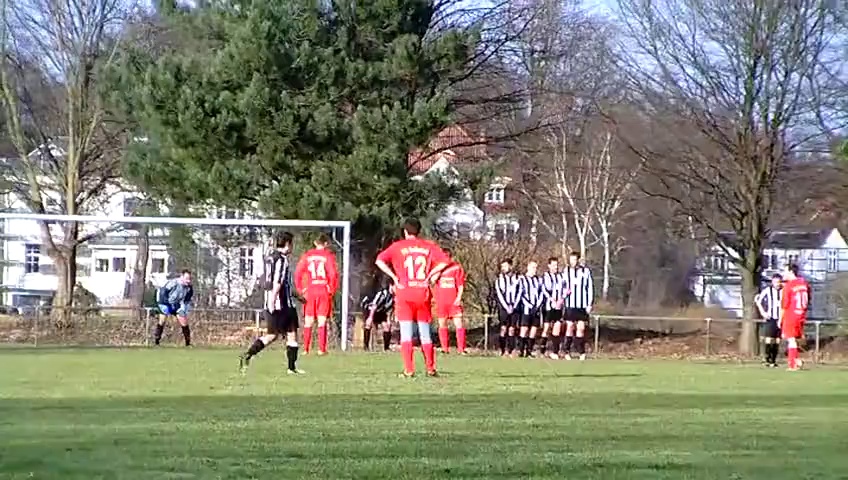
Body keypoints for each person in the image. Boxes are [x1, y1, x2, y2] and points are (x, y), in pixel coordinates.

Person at [375, 218, 449, 377]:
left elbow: (379, 261)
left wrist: (394, 277)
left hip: (404, 293)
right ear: (419, 231)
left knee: (406, 333)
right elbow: (445, 261)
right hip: (422, 292)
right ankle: (430, 368)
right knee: (425, 333)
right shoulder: (428, 246)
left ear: (405, 231)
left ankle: (409, 370)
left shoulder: (397, 246)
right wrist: (431, 275)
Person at [239, 232, 304, 375]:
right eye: (291, 244)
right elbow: (277, 282)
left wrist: (296, 296)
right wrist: (273, 301)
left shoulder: (269, 257)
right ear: (287, 244)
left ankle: (247, 355)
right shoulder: (282, 260)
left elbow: (273, 281)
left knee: (272, 335)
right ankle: (291, 368)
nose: (292, 247)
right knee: (291, 334)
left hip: (271, 301)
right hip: (282, 304)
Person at [295, 233, 339, 356]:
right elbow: (333, 274)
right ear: (326, 244)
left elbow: (298, 273)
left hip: (310, 290)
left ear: (315, 243)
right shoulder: (328, 256)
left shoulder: (307, 255)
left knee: (308, 320)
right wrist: (331, 289)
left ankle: (306, 349)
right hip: (323, 289)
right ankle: (321, 349)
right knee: (322, 320)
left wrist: (301, 289)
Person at [433, 248, 468, 354]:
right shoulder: (436, 268)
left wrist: (459, 297)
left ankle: (461, 349)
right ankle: (445, 348)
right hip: (441, 301)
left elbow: (460, 284)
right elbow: (432, 280)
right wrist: (438, 271)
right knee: (442, 323)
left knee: (458, 323)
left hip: (453, 301)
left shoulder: (456, 268)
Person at [562, 251, 594, 360]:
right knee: (570, 326)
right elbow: (563, 285)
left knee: (581, 328)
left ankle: (581, 351)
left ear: (578, 260)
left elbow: (589, 288)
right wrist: (564, 294)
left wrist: (589, 303)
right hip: (570, 304)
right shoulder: (566, 271)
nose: (573, 262)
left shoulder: (586, 271)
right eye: (571, 259)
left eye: (575, 260)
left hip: (582, 305)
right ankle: (566, 351)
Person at [780, 264, 810, 371]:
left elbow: (784, 305)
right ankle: (796, 361)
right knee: (793, 339)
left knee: (791, 339)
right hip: (801, 315)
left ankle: (793, 363)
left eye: (785, 271)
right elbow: (808, 299)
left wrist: (780, 319)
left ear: (791, 272)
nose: (783, 274)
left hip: (791, 315)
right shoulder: (804, 284)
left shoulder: (789, 286)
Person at [153, 270, 194, 347]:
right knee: (162, 321)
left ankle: (188, 344)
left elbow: (187, 298)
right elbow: (163, 292)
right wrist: (165, 304)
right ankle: (156, 342)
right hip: (166, 303)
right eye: (186, 278)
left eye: (189, 279)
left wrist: (184, 307)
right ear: (182, 277)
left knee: (184, 321)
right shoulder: (173, 283)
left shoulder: (189, 288)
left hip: (177, 305)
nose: (188, 281)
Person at [494, 258, 521, 356]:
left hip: (514, 307)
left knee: (512, 329)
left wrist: (514, 306)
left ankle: (511, 350)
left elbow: (519, 292)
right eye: (502, 266)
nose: (503, 268)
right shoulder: (499, 280)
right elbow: (499, 294)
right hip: (503, 308)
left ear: (510, 266)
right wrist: (506, 306)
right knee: (503, 328)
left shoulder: (517, 278)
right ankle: (502, 350)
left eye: (505, 266)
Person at [517, 260, 543, 357]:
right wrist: (529, 304)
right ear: (528, 268)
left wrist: (537, 305)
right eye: (533, 267)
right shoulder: (522, 279)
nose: (534, 270)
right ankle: (521, 350)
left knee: (533, 330)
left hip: (536, 309)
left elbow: (541, 293)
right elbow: (521, 294)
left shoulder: (538, 280)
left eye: (536, 268)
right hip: (526, 308)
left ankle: (529, 351)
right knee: (524, 329)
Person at [755, 274, 783, 367]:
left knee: (778, 340)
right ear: (772, 282)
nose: (777, 284)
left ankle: (773, 360)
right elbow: (758, 301)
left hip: (780, 318)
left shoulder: (783, 291)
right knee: (769, 338)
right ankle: (767, 358)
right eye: (775, 282)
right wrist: (763, 312)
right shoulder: (768, 290)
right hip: (770, 317)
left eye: (779, 282)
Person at [540, 257, 565, 357]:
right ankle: (542, 351)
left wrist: (561, 299)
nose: (555, 267)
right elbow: (544, 290)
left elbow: (565, 289)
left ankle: (555, 351)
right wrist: (552, 300)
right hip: (548, 306)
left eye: (556, 265)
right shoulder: (545, 276)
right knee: (546, 328)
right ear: (549, 265)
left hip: (558, 306)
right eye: (553, 265)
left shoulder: (561, 276)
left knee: (557, 326)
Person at [361, 278, 394, 351]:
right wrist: (370, 317)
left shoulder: (393, 297)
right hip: (370, 308)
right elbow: (374, 305)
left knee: (387, 326)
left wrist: (389, 319)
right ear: (391, 285)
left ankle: (386, 348)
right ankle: (366, 346)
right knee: (368, 324)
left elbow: (390, 309)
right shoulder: (382, 294)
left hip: (380, 311)